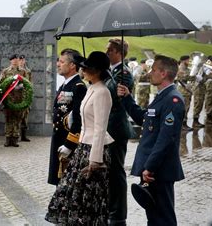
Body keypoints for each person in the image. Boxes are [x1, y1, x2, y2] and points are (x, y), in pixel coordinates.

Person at [46, 51, 114, 225]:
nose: (82, 70)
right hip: (83, 147)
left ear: (96, 71)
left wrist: (95, 160)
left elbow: (99, 128)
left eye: (86, 68)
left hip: (93, 150)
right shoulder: (91, 88)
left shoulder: (102, 92)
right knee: (71, 194)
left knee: (88, 197)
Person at [117, 55, 185, 226]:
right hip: (152, 170)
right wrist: (127, 97)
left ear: (163, 73)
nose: (150, 73)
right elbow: (144, 119)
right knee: (154, 217)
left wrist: (150, 167)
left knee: (163, 217)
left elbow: (166, 138)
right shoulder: (162, 96)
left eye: (154, 70)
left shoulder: (173, 99)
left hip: (158, 171)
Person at [105, 38, 134, 226]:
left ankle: (118, 213)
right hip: (109, 127)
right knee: (110, 171)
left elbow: (114, 96)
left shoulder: (123, 73)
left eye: (109, 50)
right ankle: (111, 207)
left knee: (116, 172)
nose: (106, 52)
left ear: (117, 52)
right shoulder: (112, 71)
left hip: (116, 128)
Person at [47, 48, 87, 186]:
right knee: (60, 181)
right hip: (59, 137)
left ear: (72, 65)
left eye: (62, 61)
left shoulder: (78, 86)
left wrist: (70, 144)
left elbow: (78, 118)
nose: (58, 64)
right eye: (58, 60)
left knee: (68, 180)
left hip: (67, 140)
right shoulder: (65, 85)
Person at [0, 54, 28, 147]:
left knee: (17, 120)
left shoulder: (23, 71)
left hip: (19, 99)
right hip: (9, 99)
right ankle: (8, 139)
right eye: (13, 59)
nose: (15, 61)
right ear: (10, 61)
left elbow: (27, 84)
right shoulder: (5, 71)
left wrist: (21, 86)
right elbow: (1, 84)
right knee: (8, 119)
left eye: (16, 59)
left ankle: (15, 138)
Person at [175, 55, 193, 130]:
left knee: (186, 107)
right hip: (183, 90)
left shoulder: (185, 68)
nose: (189, 62)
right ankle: (182, 125)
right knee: (183, 108)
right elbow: (184, 77)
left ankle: (184, 124)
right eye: (188, 60)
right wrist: (194, 77)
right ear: (183, 61)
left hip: (186, 90)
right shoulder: (181, 68)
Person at [19, 54, 32, 142]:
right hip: (17, 97)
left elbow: (30, 84)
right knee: (17, 117)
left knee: (25, 117)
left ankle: (24, 135)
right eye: (20, 60)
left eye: (23, 60)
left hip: (25, 96)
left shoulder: (28, 71)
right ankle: (16, 135)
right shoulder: (16, 71)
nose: (22, 61)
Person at [191, 53, 207, 128]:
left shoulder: (201, 68)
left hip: (202, 88)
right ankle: (195, 121)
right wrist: (197, 78)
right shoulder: (195, 68)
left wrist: (203, 78)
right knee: (198, 104)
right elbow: (191, 76)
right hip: (198, 88)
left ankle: (196, 120)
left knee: (200, 104)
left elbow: (205, 78)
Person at [204, 56, 212, 124]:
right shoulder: (208, 67)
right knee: (210, 100)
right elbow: (208, 75)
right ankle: (208, 117)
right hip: (211, 86)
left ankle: (210, 116)